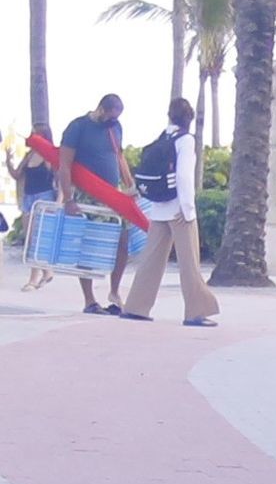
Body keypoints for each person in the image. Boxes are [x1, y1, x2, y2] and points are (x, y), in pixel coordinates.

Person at [120, 97, 219, 327]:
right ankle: (195, 312)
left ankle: (136, 307)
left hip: (159, 208)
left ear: (170, 116)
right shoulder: (185, 140)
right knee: (189, 263)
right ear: (189, 118)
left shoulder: (162, 138)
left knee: (150, 261)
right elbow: (184, 176)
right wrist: (188, 209)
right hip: (178, 210)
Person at [57, 94, 134, 313]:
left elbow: (119, 156)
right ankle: (89, 299)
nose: (113, 120)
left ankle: (114, 292)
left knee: (122, 241)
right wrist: (68, 198)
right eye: (110, 116)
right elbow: (64, 165)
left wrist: (130, 185)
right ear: (101, 109)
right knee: (88, 245)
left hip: (113, 194)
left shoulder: (115, 127)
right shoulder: (78, 127)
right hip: (88, 194)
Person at [7, 126, 56, 289]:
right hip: (29, 197)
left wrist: (60, 200)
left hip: (43, 197)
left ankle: (34, 279)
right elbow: (17, 175)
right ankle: (46, 271)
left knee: (36, 238)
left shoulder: (49, 155)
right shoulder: (29, 155)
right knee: (30, 238)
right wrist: (9, 160)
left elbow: (59, 176)